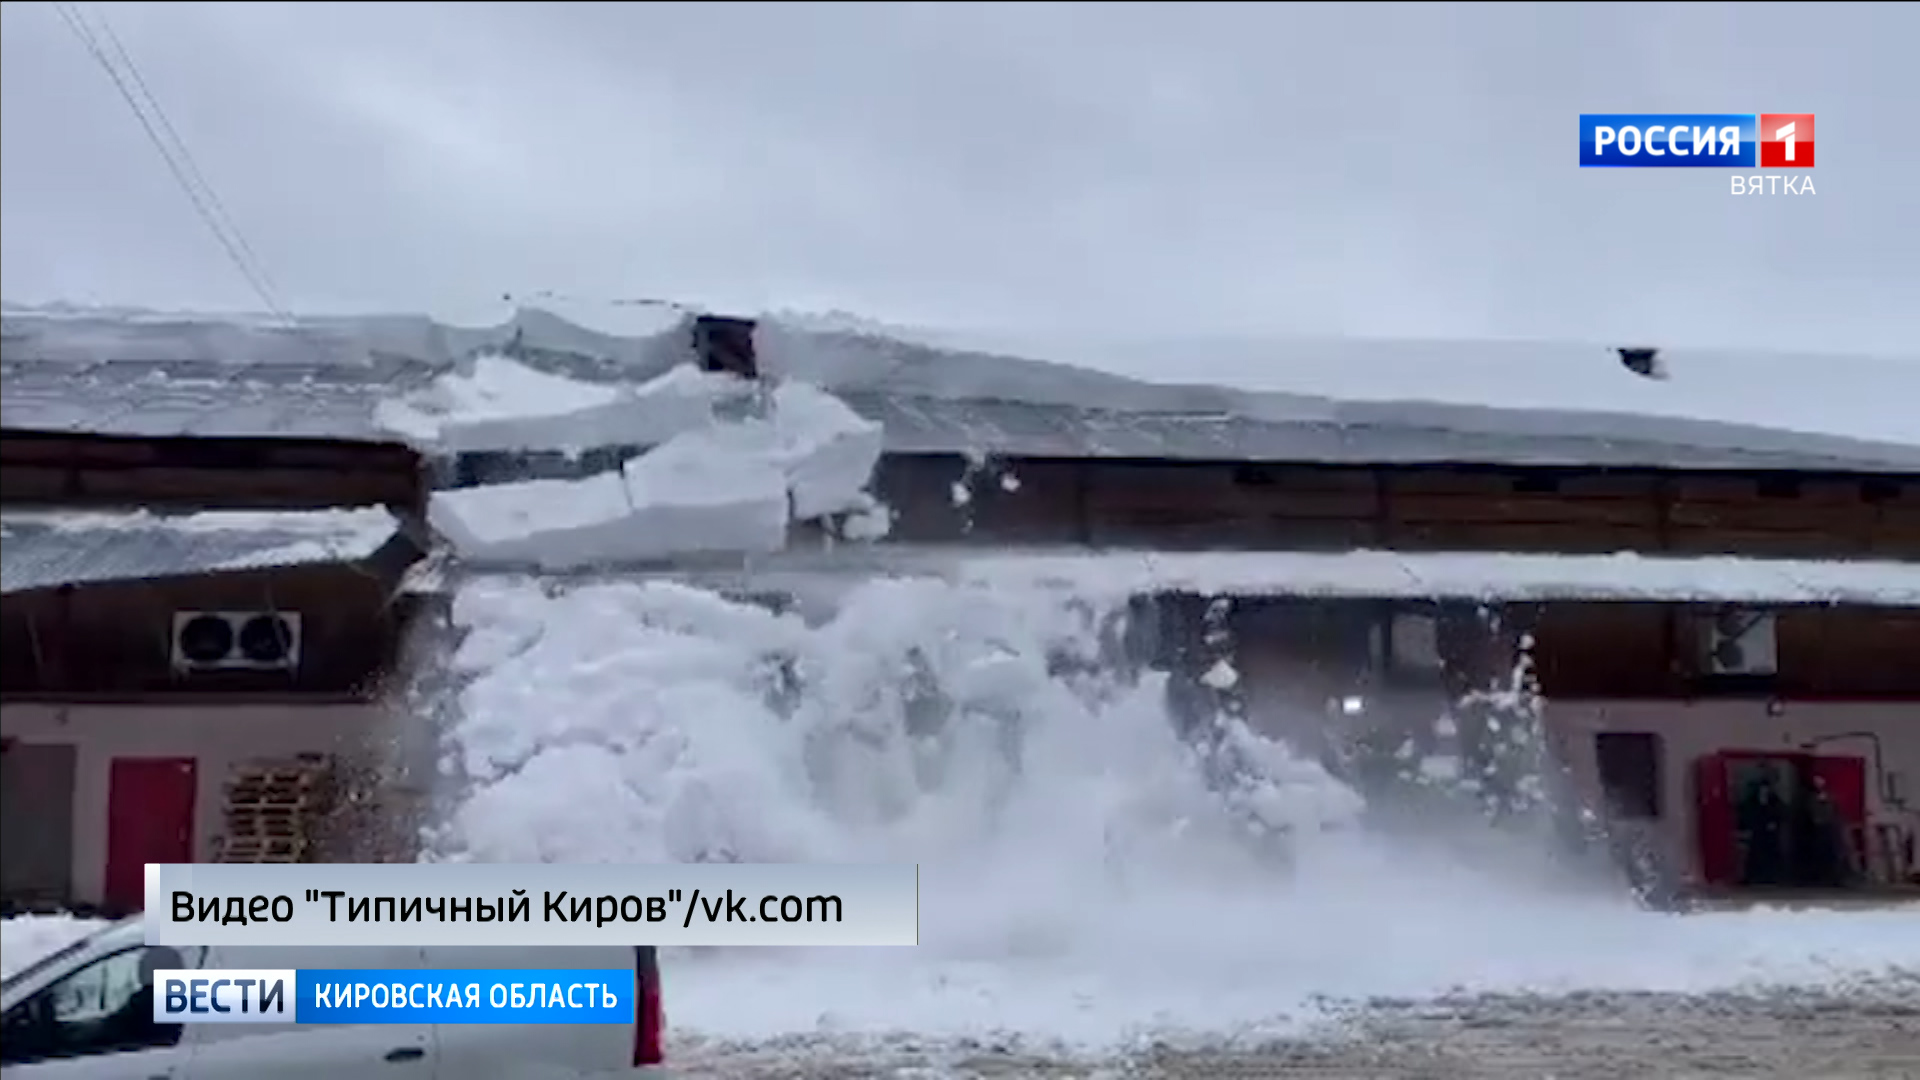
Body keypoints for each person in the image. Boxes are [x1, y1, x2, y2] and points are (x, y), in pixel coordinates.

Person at [1736, 770, 1788, 887]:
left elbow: (1782, 812)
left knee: (1771, 855)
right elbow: (1746, 811)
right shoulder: (1753, 799)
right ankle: (1754, 876)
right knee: (1755, 854)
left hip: (1770, 833)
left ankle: (1771, 877)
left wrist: (1774, 822)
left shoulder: (1774, 799)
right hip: (1758, 831)